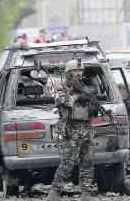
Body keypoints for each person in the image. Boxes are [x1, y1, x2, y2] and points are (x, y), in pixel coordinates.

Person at [45, 59, 97, 201]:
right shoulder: (63, 86)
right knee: (67, 163)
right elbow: (59, 101)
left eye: (80, 70)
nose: (79, 73)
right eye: (75, 70)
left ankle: (86, 193)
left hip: (86, 128)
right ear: (69, 72)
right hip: (70, 129)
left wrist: (93, 107)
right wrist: (78, 97)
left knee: (88, 161)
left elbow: (91, 105)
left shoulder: (87, 87)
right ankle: (55, 192)